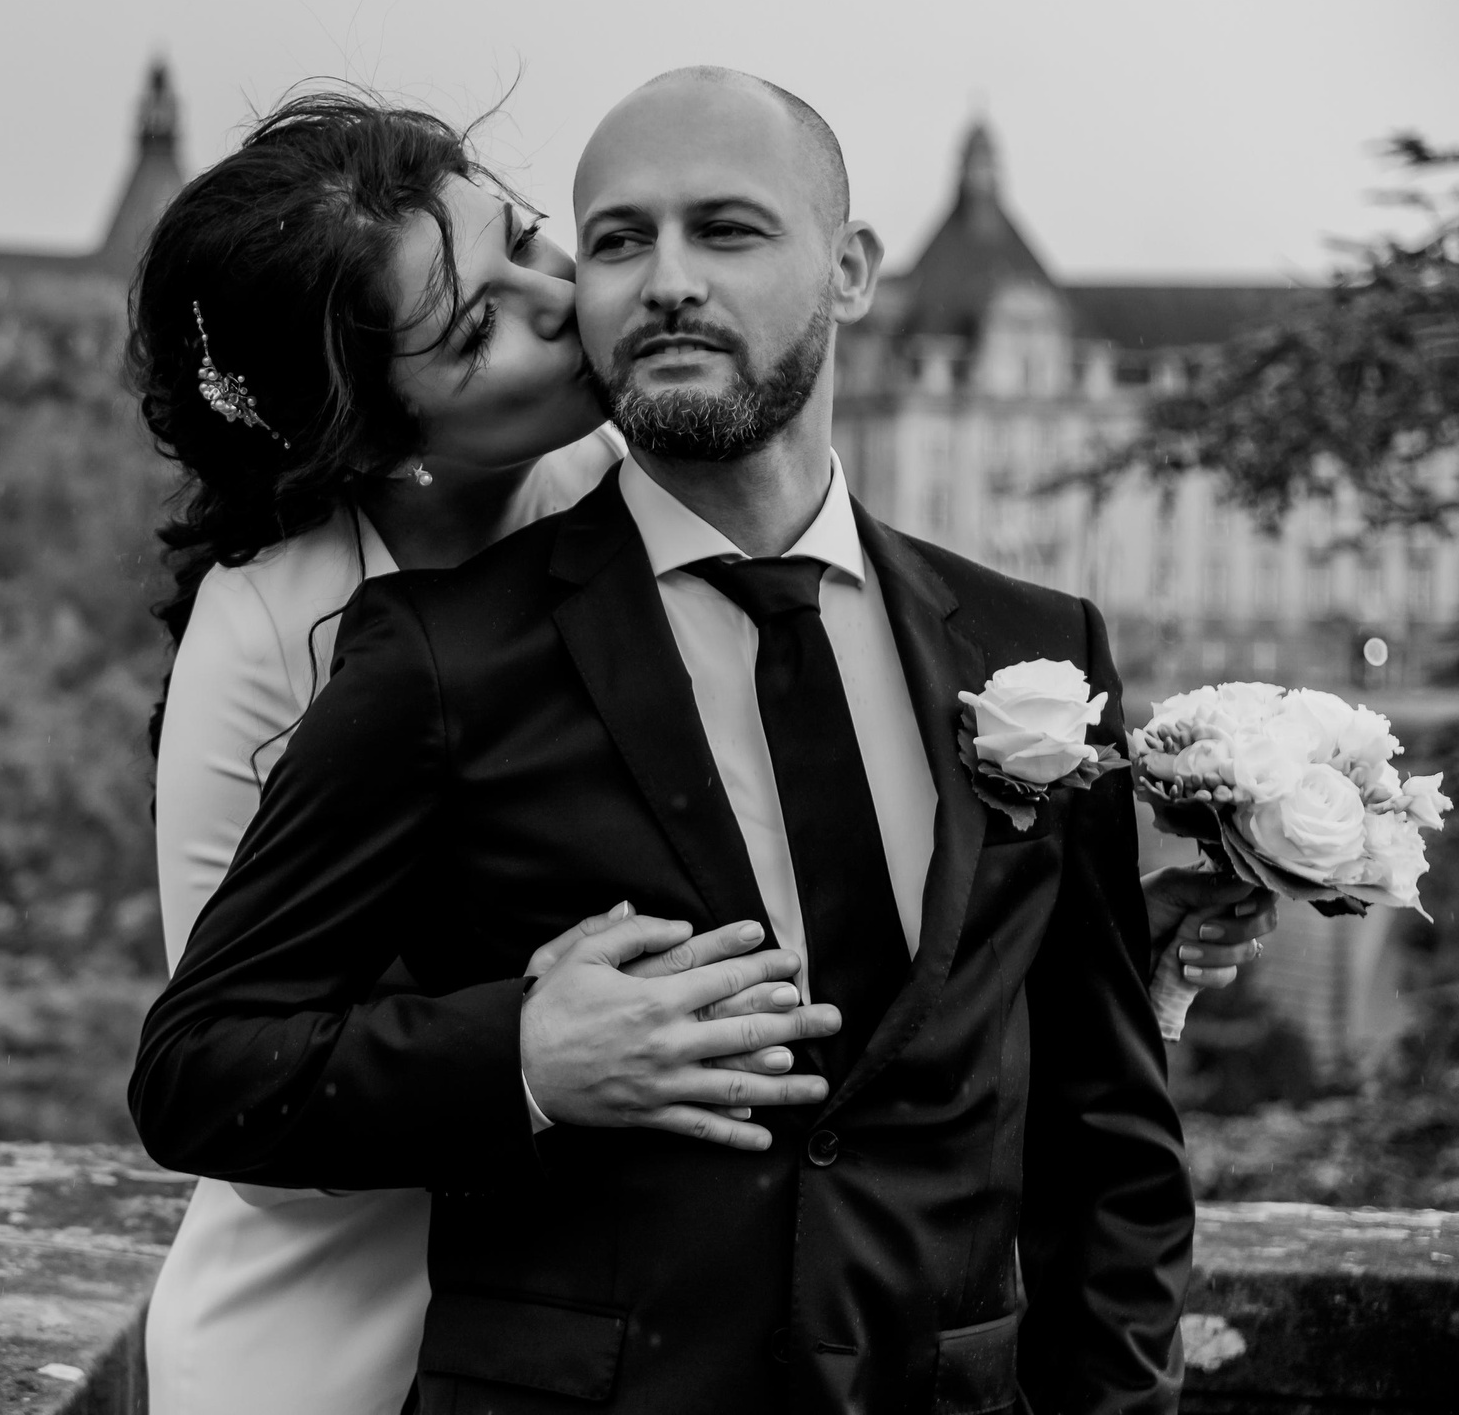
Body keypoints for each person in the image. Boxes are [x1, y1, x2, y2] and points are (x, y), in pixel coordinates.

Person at [128, 88, 1274, 1415]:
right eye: (483, 322)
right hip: (386, 1304)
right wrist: (523, 1058)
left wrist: (1057, 950)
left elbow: (1067, 1116)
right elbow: (218, 1056)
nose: (584, 295)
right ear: (392, 435)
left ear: (852, 272)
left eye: (536, 244)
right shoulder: (350, 636)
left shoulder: (1003, 632)